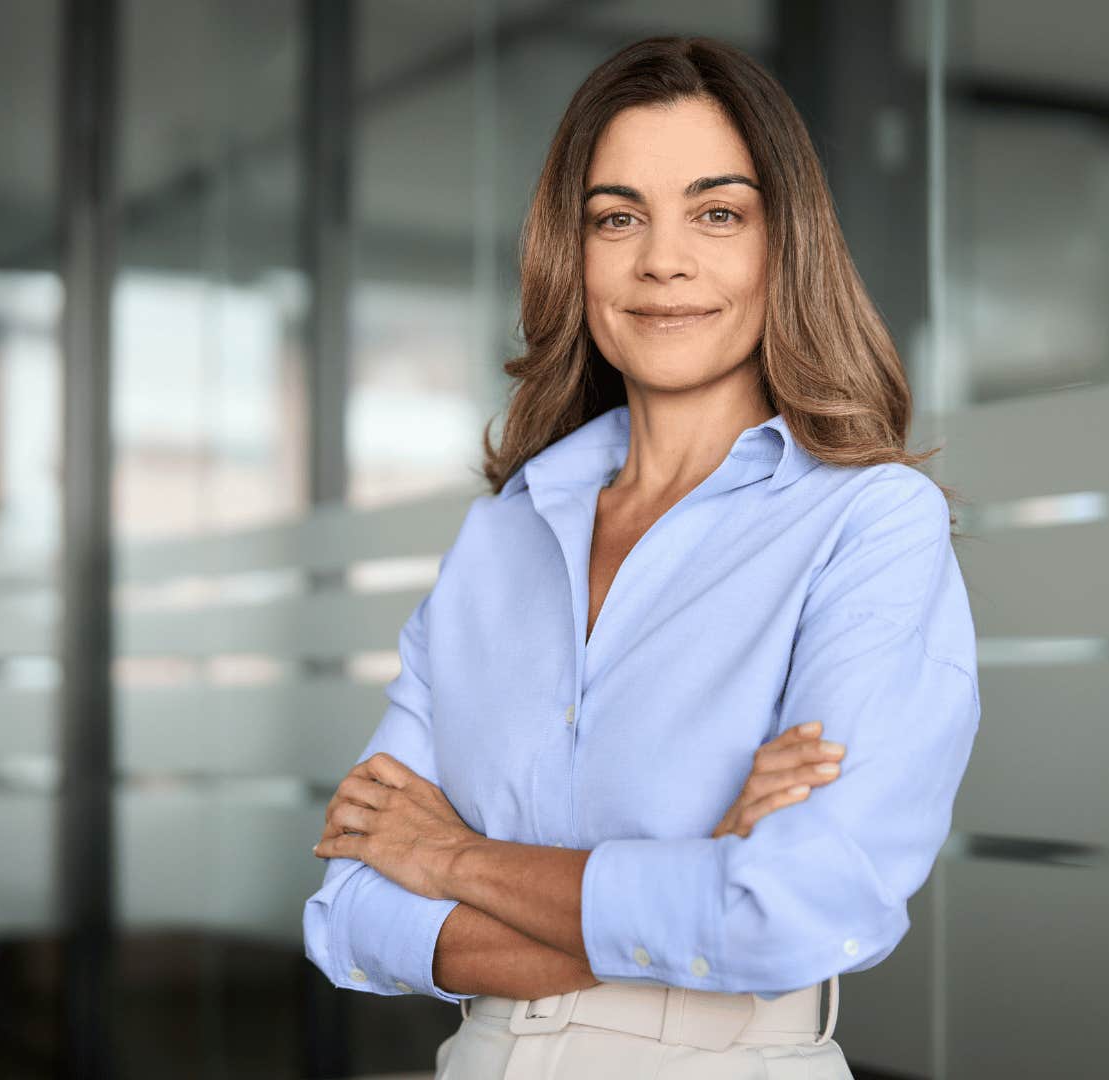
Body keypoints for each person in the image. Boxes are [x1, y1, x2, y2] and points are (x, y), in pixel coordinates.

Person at [303, 34, 980, 1079]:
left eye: (718, 213)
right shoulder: (501, 537)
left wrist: (452, 860)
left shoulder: (869, 525)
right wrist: (690, 882)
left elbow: (793, 912)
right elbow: (347, 910)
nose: (663, 260)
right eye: (618, 218)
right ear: (571, 255)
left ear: (782, 244)